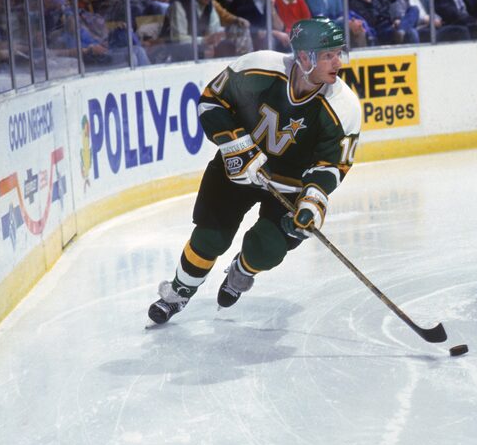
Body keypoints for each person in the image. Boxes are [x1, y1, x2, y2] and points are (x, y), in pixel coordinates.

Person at [147, 17, 362, 324]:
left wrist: (313, 202)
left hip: (289, 188)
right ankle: (179, 292)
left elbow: (331, 164)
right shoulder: (258, 68)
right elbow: (212, 102)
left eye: (339, 52)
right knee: (209, 238)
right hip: (238, 172)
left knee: (267, 248)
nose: (337, 62)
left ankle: (241, 271)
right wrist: (236, 146)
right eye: (328, 54)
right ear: (304, 56)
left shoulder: (344, 108)